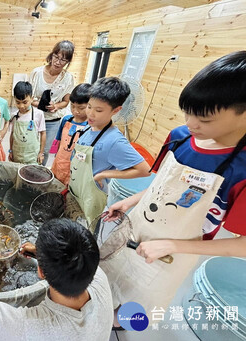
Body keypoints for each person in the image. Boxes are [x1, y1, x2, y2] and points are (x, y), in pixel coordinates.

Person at [101, 51, 246, 321]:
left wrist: (172, 245)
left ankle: (121, 324)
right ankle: (104, 313)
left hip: (174, 254)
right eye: (188, 113)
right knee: (111, 277)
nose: (191, 124)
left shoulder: (241, 168)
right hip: (137, 227)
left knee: (139, 302)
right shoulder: (179, 138)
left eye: (204, 120)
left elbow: (242, 245)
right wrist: (130, 202)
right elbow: (163, 189)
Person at [0, 218, 113, 341]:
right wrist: (40, 253)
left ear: (41, 272)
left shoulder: (31, 328)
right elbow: (70, 261)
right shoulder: (99, 277)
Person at [69, 77, 150, 224]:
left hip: (91, 196)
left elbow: (145, 170)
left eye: (98, 110)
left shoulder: (114, 141)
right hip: (77, 188)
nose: (90, 114)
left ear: (116, 110)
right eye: (89, 106)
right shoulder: (90, 126)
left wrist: (103, 174)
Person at [29, 41, 76, 165]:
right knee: (30, 146)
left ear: (68, 62)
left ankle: (39, 177)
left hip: (52, 120)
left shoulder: (68, 78)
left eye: (63, 60)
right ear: (51, 55)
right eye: (56, 57)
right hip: (34, 117)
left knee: (43, 151)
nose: (58, 62)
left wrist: (56, 106)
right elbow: (28, 98)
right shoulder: (36, 73)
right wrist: (40, 104)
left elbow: (66, 102)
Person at [51, 83, 90, 185]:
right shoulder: (66, 120)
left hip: (75, 168)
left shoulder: (90, 127)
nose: (75, 111)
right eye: (72, 106)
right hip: (59, 162)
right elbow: (59, 141)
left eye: (81, 108)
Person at [8, 81, 46, 164]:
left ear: (32, 98)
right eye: (18, 102)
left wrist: (41, 153)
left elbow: (43, 133)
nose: (21, 106)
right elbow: (12, 134)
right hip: (17, 154)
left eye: (25, 102)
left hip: (32, 156)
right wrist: (10, 150)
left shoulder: (38, 114)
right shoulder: (14, 116)